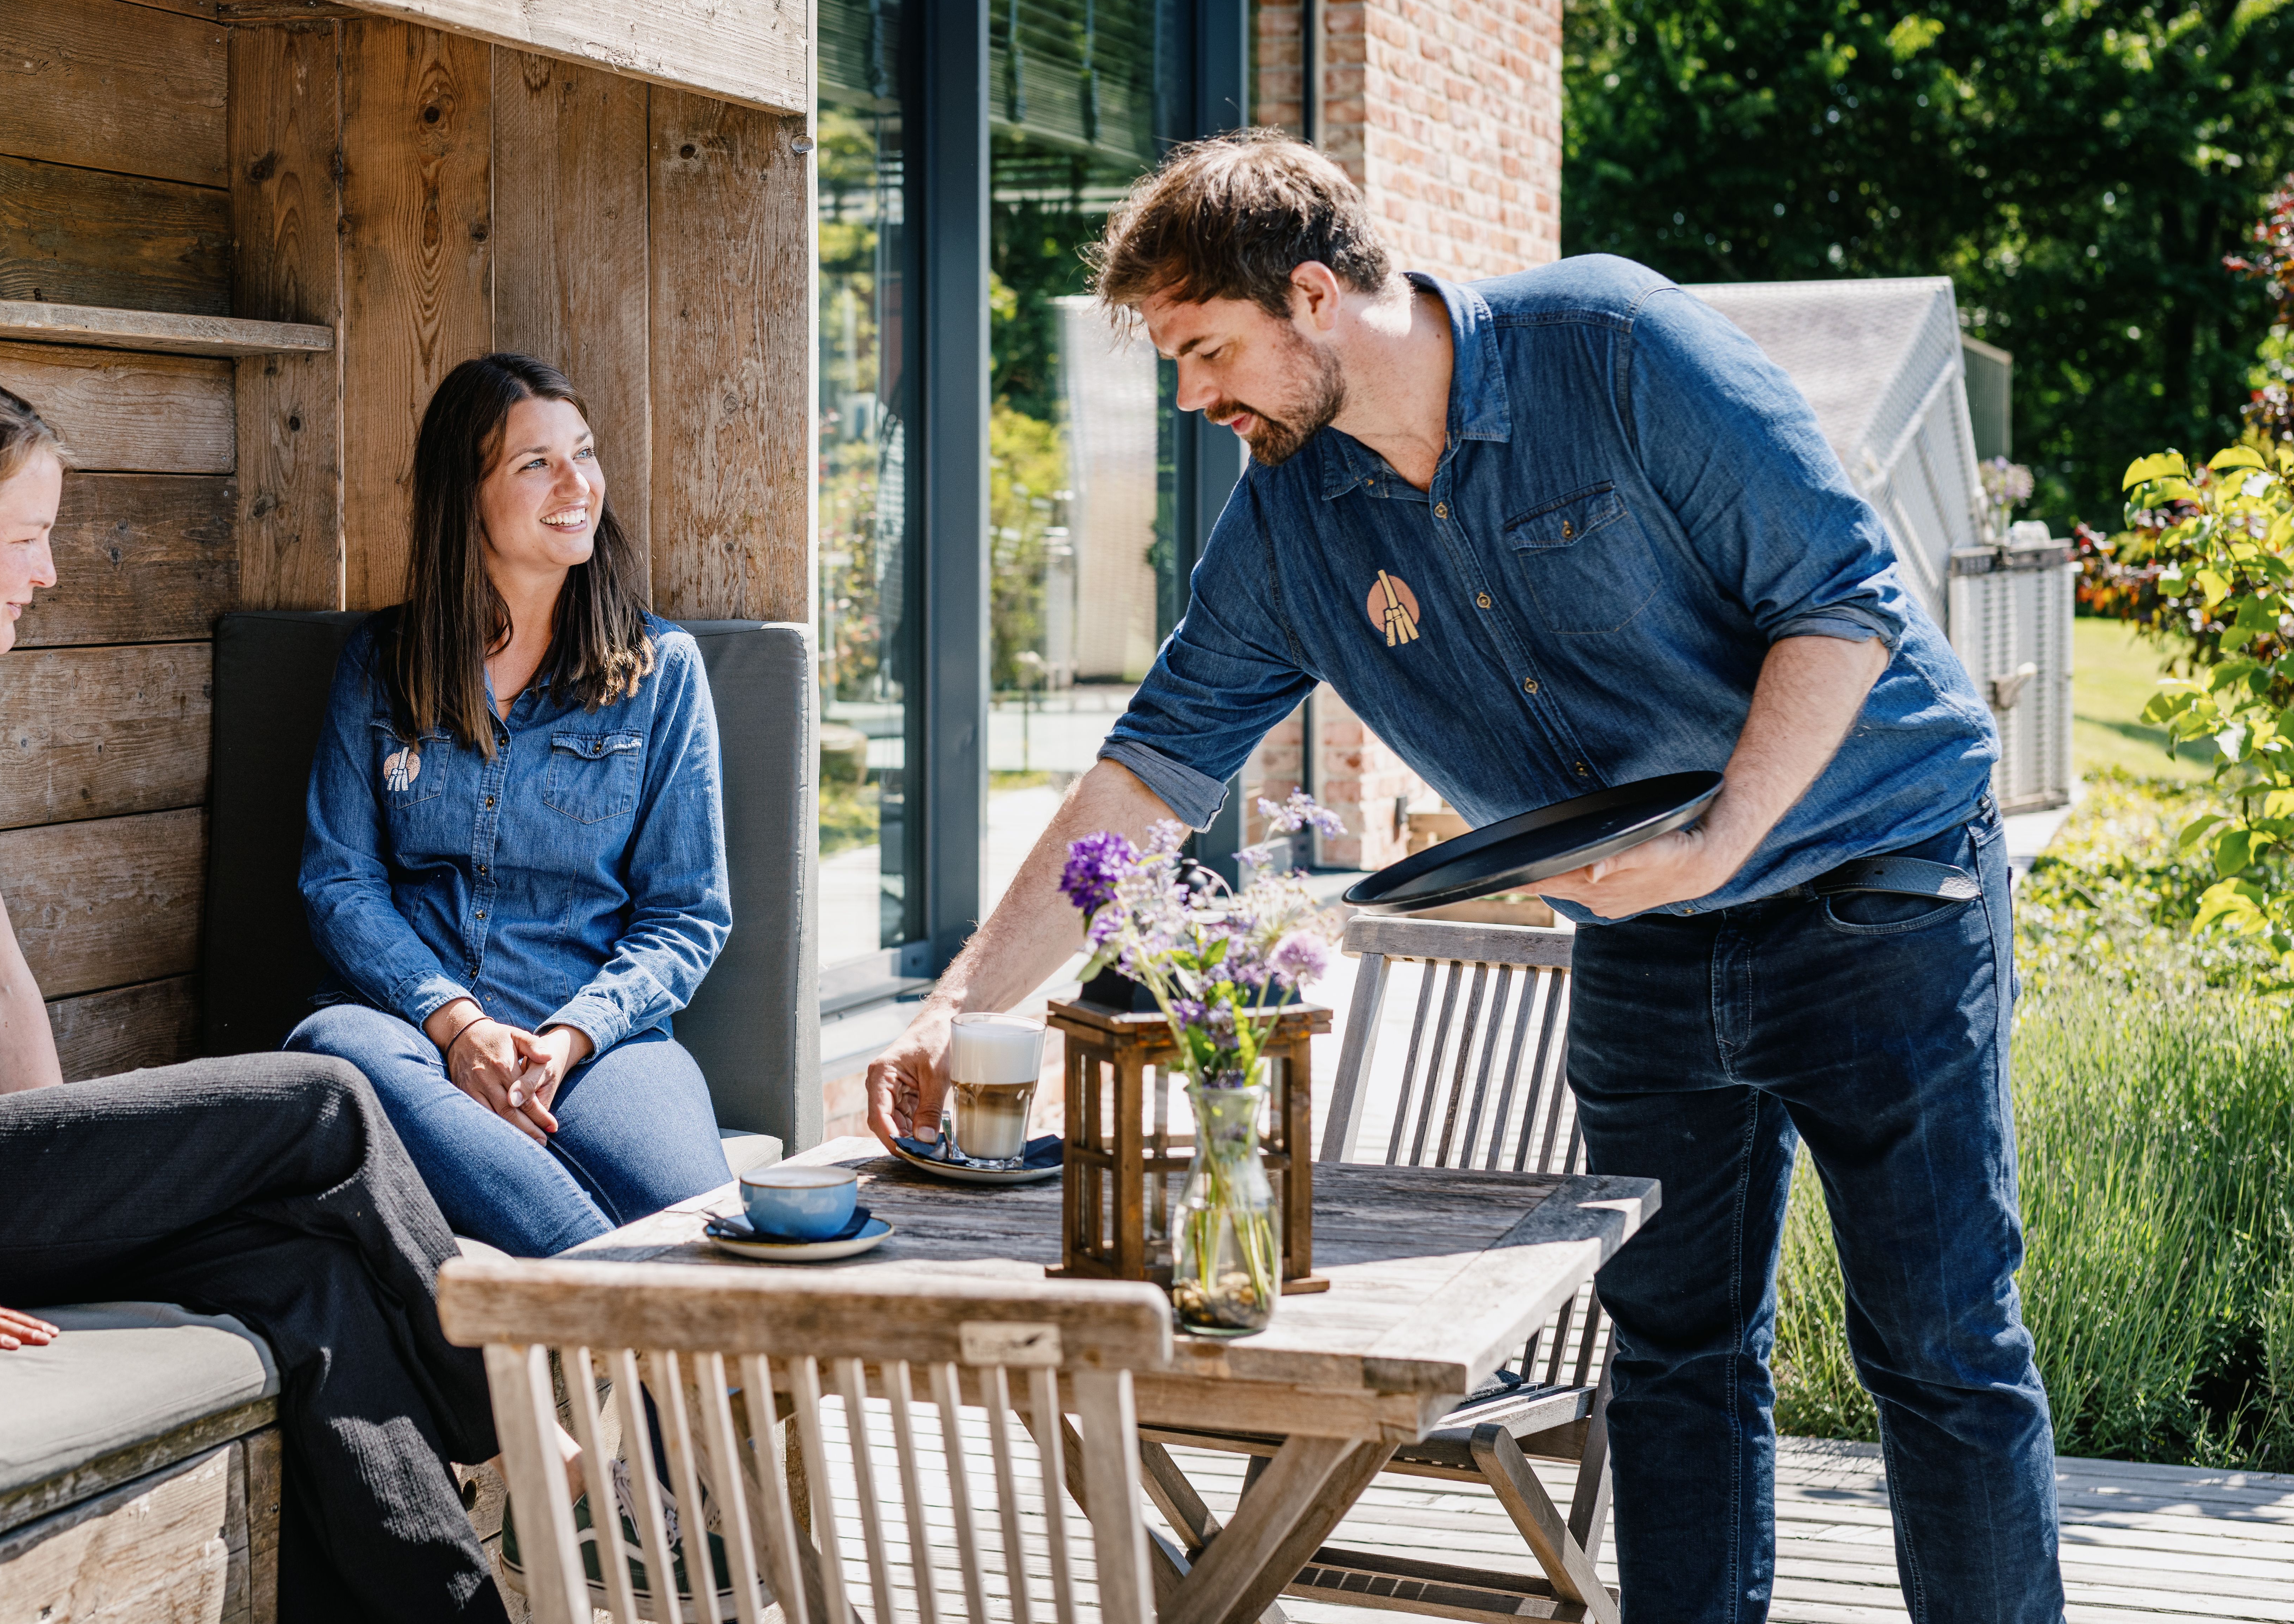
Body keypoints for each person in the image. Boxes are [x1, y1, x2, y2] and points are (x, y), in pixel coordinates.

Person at [864, 134, 2063, 1623]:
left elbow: (1841, 602)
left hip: (1874, 886)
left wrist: (1713, 843)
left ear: (1313, 294)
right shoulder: (1289, 521)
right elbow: (1150, 772)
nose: (1188, 398)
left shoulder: (1613, 348)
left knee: (1941, 1356)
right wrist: (954, 1002)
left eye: (1204, 349)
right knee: (1676, 1356)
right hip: (1642, 931)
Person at [0, 363, 509, 1622]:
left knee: (308, 1280)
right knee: (320, 1099)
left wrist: (74, 1182)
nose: (48, 570)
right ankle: (507, 1392)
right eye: (27, 537)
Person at [288, 353, 736, 1258]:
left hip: (598, 1039)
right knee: (329, 1052)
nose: (577, 484)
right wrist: (460, 1026)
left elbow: (686, 914)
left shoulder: (660, 672)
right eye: (536, 463)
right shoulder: (381, 663)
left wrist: (567, 1038)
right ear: (468, 495)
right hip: (409, 1030)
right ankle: (602, 1285)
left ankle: (622, 1297)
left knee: (699, 1214)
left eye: (584, 452)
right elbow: (340, 882)